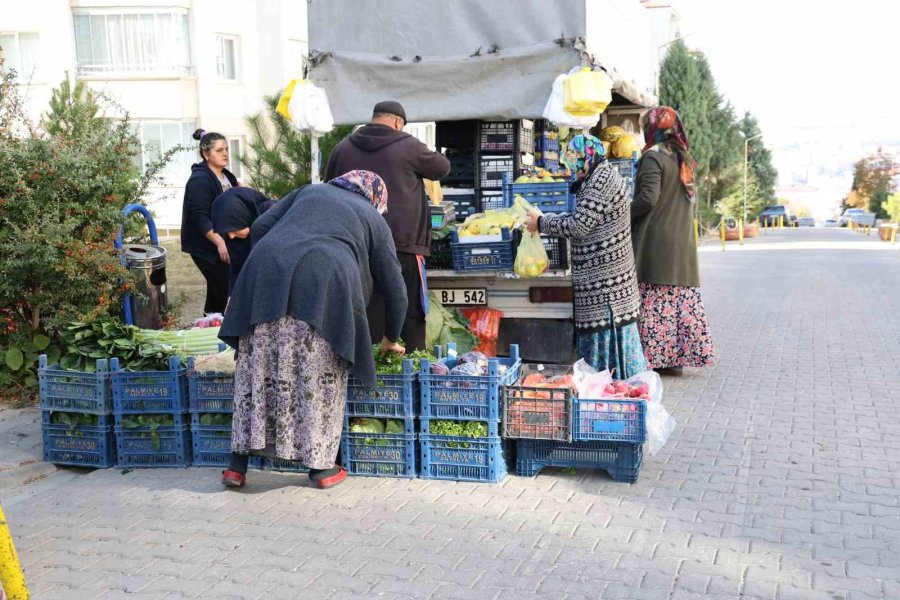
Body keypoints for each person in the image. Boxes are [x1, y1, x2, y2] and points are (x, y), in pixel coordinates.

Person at [217, 170, 408, 489]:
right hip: (325, 279)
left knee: (256, 367)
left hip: (265, 271)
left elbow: (262, 225)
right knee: (319, 375)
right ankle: (321, 469)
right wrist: (391, 338)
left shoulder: (309, 191)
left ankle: (236, 467)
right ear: (375, 197)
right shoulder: (373, 217)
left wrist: (283, 254)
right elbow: (396, 288)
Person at [324, 101, 450, 351]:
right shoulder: (408, 146)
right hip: (402, 244)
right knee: (409, 312)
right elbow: (442, 167)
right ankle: (410, 371)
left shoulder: (342, 148)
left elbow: (328, 186)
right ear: (397, 123)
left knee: (365, 311)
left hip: (355, 246)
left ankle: (367, 373)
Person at [525, 135, 646, 378]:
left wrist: (542, 222)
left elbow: (579, 225)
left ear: (585, 158)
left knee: (605, 364)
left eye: (573, 164)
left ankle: (613, 402)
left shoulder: (602, 180)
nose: (571, 171)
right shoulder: (599, 175)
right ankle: (611, 399)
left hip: (607, 292)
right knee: (607, 364)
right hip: (605, 289)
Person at [630, 106, 715, 374]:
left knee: (656, 302)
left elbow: (647, 198)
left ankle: (656, 360)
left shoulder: (652, 158)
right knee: (678, 302)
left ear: (653, 129)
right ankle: (675, 360)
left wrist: (621, 214)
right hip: (682, 242)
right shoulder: (683, 158)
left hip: (657, 242)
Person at [181, 129, 239, 315]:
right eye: (219, 150)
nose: (225, 154)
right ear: (206, 154)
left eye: (226, 149)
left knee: (218, 291)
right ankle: (224, 331)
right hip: (206, 246)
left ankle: (209, 324)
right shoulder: (199, 180)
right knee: (224, 288)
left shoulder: (227, 176)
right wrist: (220, 242)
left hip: (225, 240)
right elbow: (199, 217)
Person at [210, 187, 274, 294]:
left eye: (233, 229)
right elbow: (236, 269)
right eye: (227, 232)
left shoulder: (274, 216)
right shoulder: (237, 234)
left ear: (242, 214)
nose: (231, 237)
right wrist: (232, 299)